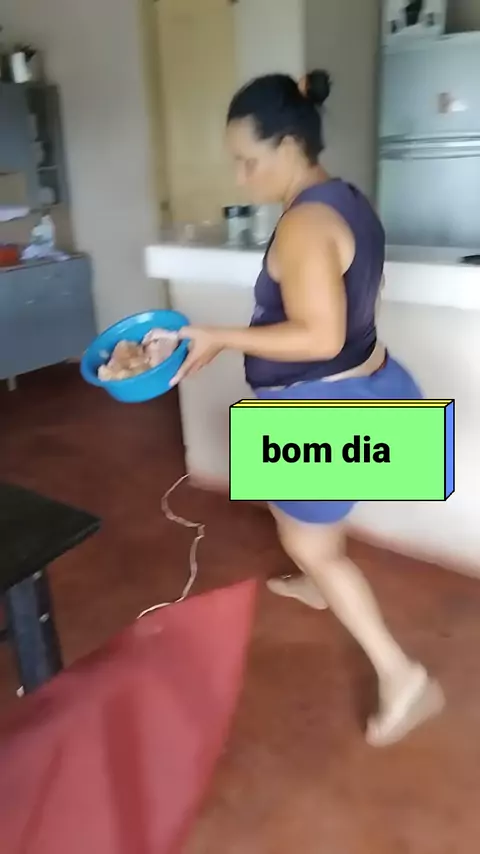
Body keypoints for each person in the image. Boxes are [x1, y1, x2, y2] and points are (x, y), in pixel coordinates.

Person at [171, 70, 445, 747]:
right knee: (297, 513)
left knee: (307, 539)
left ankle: (403, 677)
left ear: (290, 144)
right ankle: (318, 577)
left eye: (248, 160)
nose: (241, 176)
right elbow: (354, 306)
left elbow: (319, 337)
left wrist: (220, 337)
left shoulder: (303, 226)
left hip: (325, 409)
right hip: (376, 384)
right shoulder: (346, 198)